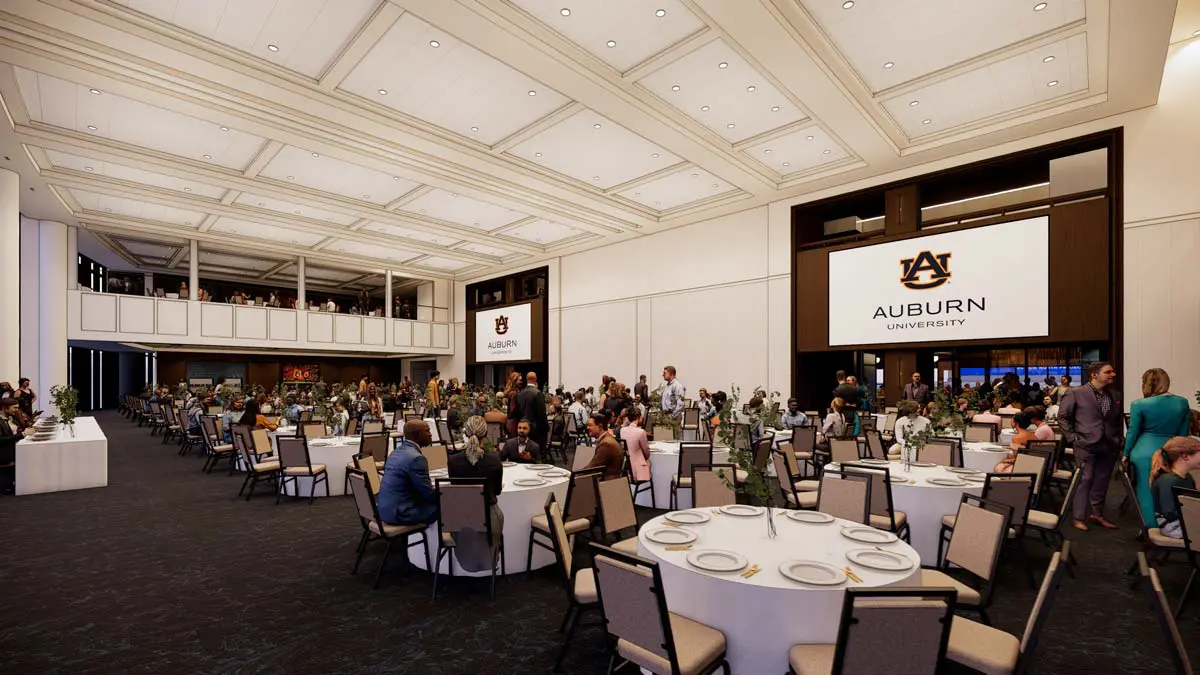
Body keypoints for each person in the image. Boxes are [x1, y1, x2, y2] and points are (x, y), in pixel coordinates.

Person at [1059, 362, 1124, 531]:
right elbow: (1063, 417)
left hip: (1109, 443)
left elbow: (1115, 419)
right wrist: (1072, 437)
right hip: (1084, 443)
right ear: (1094, 374)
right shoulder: (1076, 393)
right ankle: (1078, 517)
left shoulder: (1114, 394)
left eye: (1113, 371)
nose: (1113, 374)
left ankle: (1097, 514)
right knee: (1085, 479)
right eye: (1108, 372)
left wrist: (1119, 438)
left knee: (1102, 479)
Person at [1123, 368, 1191, 528]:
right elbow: (1183, 434)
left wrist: (1126, 453)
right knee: (1170, 488)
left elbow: (1133, 431)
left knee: (1146, 490)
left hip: (1144, 451)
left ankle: (1150, 527)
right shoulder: (1182, 402)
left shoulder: (1139, 404)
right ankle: (1171, 525)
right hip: (1171, 450)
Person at [446, 416, 504, 571]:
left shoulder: (453, 461)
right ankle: (492, 558)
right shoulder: (494, 460)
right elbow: (497, 491)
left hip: (459, 519)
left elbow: (455, 489)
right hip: (489, 518)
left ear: (466, 433)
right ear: (485, 434)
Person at [377, 420, 439, 528]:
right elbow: (429, 494)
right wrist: (448, 493)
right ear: (417, 435)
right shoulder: (416, 458)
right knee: (449, 504)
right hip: (402, 513)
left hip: (384, 510)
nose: (430, 434)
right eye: (427, 431)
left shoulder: (396, 452)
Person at [1149, 436, 1200, 538]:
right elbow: (1170, 513)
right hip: (1173, 526)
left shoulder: (1187, 477)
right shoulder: (1167, 481)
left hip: (1186, 521)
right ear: (1185, 456)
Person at [585, 412, 624, 479]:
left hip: (608, 482)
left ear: (600, 426)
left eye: (590, 425)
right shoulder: (606, 439)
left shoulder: (606, 444)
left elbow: (592, 468)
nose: (587, 428)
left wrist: (571, 477)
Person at [516, 372, 547, 443]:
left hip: (522, 427)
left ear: (526, 379)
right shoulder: (538, 393)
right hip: (536, 429)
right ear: (535, 379)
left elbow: (518, 411)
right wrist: (546, 428)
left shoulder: (519, 393)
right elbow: (541, 413)